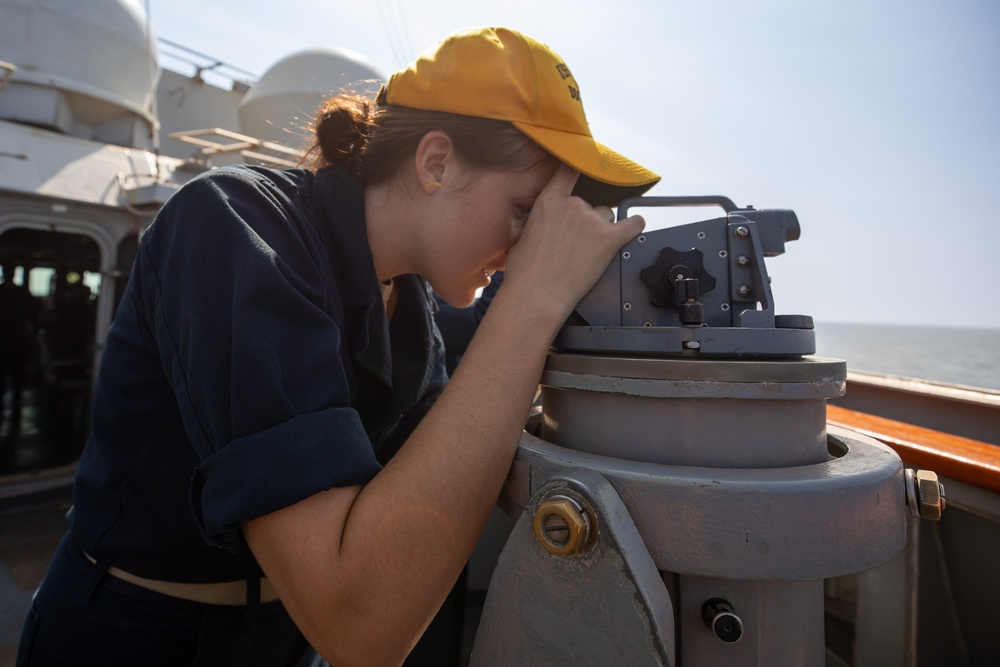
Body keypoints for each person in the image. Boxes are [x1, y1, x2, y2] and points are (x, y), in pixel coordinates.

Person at [17, 26, 659, 667]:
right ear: (436, 163)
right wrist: (535, 298)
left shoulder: (412, 312)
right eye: (525, 210)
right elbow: (358, 623)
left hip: (277, 636)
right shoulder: (234, 227)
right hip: (139, 634)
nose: (529, 250)